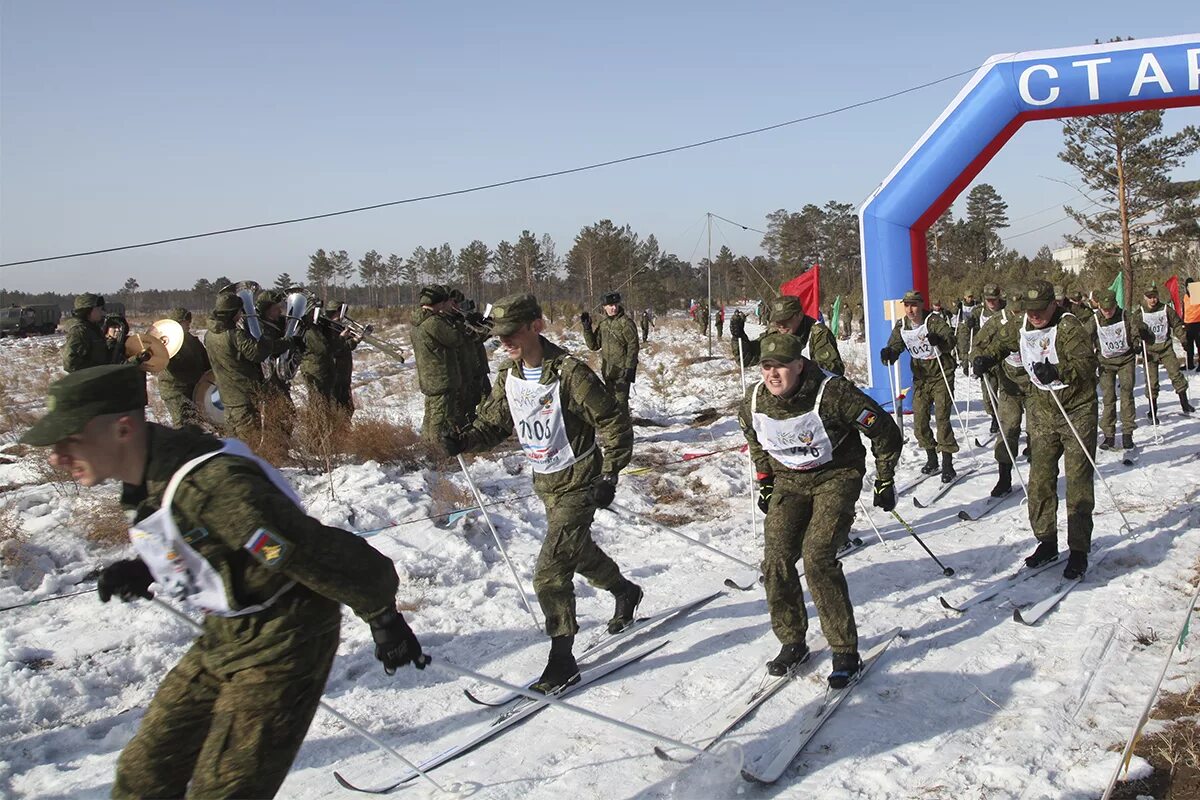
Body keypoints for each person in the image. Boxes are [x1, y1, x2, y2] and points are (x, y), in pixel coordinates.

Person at [19, 364, 421, 799]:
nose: (56, 457)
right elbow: (202, 537)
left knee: (224, 789)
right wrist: (146, 568)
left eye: (70, 440)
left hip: (284, 636)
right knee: (145, 771)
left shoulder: (215, 487)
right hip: (224, 633)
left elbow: (305, 549)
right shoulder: (149, 471)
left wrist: (382, 614)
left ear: (121, 429)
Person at [441, 294, 641, 693]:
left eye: (512, 333)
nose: (505, 342)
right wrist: (463, 440)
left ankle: (562, 657)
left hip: (579, 480)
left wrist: (609, 475)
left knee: (550, 571)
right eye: (498, 336)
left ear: (536, 326)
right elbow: (495, 424)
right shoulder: (509, 376)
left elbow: (614, 423)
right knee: (576, 551)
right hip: (545, 483)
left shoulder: (571, 374)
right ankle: (626, 591)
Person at [738, 333, 900, 687]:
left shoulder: (833, 393)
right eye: (766, 367)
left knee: (817, 556)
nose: (772, 374)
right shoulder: (754, 401)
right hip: (789, 481)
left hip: (836, 476)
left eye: (780, 366)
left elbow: (885, 431)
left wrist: (885, 479)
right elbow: (754, 437)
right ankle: (792, 641)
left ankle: (844, 649)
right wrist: (765, 478)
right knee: (776, 560)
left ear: (799, 364)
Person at [973, 280, 1098, 579]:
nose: (1035, 315)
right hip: (1041, 410)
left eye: (1041, 309)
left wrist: (1058, 371)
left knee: (1078, 482)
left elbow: (1086, 365)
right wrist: (987, 357)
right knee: (1040, 480)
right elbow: (1003, 342)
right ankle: (1047, 540)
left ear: (1053, 304)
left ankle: (1078, 550)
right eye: (1030, 310)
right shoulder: (1020, 323)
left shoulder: (1068, 327)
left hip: (1076, 410)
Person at [881, 290, 960, 482]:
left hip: (941, 375)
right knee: (920, 421)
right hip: (921, 378)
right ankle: (931, 457)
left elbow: (951, 340)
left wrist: (939, 341)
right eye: (907, 305)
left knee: (942, 418)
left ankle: (947, 462)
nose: (910, 310)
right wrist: (890, 353)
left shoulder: (933, 321)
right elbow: (896, 344)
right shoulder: (902, 325)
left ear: (921, 305)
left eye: (914, 305)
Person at [203, 292, 290, 444]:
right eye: (239, 311)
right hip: (243, 394)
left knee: (234, 440)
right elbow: (257, 354)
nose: (240, 314)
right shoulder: (235, 335)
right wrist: (272, 341)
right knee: (249, 442)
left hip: (226, 394)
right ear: (232, 313)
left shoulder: (209, 335)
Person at [971, 301, 1029, 497]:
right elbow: (978, 344)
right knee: (1008, 427)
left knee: (1039, 429)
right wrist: (978, 360)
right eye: (1014, 309)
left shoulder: (1037, 318)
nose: (1017, 313)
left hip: (1035, 384)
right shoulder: (997, 322)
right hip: (1009, 383)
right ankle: (1004, 478)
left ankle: (1042, 474)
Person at [1082, 288, 1141, 450]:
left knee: (1127, 393)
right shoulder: (1094, 319)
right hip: (1105, 363)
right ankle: (1109, 434)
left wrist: (1136, 343)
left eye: (1110, 309)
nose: (1107, 312)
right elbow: (1084, 336)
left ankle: (1128, 433)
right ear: (1099, 306)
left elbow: (1136, 331)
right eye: (1104, 309)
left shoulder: (1125, 316)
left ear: (1116, 305)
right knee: (1108, 397)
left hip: (1125, 360)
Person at [731, 295, 844, 376]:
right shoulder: (775, 332)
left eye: (786, 320)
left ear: (799, 315)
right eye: (777, 321)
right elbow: (746, 359)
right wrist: (739, 337)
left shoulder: (818, 333)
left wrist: (793, 365)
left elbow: (833, 371)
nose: (781, 325)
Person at [410, 284, 466, 439]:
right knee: (439, 419)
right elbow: (456, 339)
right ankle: (436, 450)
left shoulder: (417, 321)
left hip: (428, 376)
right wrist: (458, 323)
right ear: (438, 302)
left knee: (430, 415)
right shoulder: (433, 322)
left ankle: (427, 445)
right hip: (441, 376)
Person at [1133, 284, 1194, 417]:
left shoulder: (1166, 309)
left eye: (1154, 297)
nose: (1152, 300)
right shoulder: (1139, 313)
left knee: (1176, 374)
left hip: (1165, 348)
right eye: (1149, 297)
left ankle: (1184, 403)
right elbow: (1134, 332)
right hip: (1149, 351)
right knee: (1151, 381)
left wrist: (1183, 339)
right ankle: (1153, 410)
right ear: (1145, 298)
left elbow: (1177, 325)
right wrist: (1137, 343)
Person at [581, 291, 640, 417]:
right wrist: (587, 329)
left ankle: (624, 435)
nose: (614, 308)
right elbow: (594, 345)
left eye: (615, 305)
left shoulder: (626, 323)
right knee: (611, 405)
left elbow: (633, 346)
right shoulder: (604, 325)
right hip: (608, 372)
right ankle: (617, 433)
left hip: (622, 372)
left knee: (621, 406)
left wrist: (630, 367)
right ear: (604, 307)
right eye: (610, 305)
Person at [300, 305, 359, 420]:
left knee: (346, 408)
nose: (341, 316)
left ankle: (341, 432)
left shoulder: (334, 327)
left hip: (342, 375)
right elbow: (330, 349)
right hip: (330, 374)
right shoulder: (320, 329)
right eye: (338, 313)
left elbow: (342, 347)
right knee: (326, 409)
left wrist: (354, 339)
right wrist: (344, 338)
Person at [156, 307, 211, 428]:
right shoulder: (167, 342)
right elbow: (174, 369)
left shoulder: (192, 341)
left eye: (189, 321)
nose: (189, 324)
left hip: (191, 388)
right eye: (185, 322)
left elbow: (205, 361)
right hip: (174, 390)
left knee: (194, 424)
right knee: (182, 424)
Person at [62, 293, 141, 372]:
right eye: (99, 309)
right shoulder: (80, 331)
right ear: (88, 311)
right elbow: (70, 363)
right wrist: (97, 371)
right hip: (90, 381)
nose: (102, 312)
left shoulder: (93, 329)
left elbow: (105, 359)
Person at [966, 285, 1007, 434]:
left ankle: (1003, 419)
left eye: (994, 300)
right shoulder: (978, 312)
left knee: (1005, 392)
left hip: (1004, 357)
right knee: (988, 395)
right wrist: (967, 358)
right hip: (985, 358)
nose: (991, 303)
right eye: (988, 300)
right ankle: (994, 415)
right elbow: (966, 334)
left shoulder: (1006, 310)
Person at [955, 289, 979, 376]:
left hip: (974, 327)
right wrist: (956, 307)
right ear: (965, 297)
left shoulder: (976, 304)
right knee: (964, 347)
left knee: (975, 346)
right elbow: (954, 313)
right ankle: (965, 366)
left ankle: (975, 365)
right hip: (964, 328)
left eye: (971, 297)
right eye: (968, 297)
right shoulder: (961, 304)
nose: (970, 299)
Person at [1183, 277, 1200, 371]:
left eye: (1191, 286)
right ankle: (1189, 364)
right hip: (1188, 323)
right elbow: (1184, 309)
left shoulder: (1197, 294)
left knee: (1199, 344)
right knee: (1188, 345)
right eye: (1187, 286)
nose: (1189, 288)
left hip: (1198, 323)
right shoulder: (1185, 297)